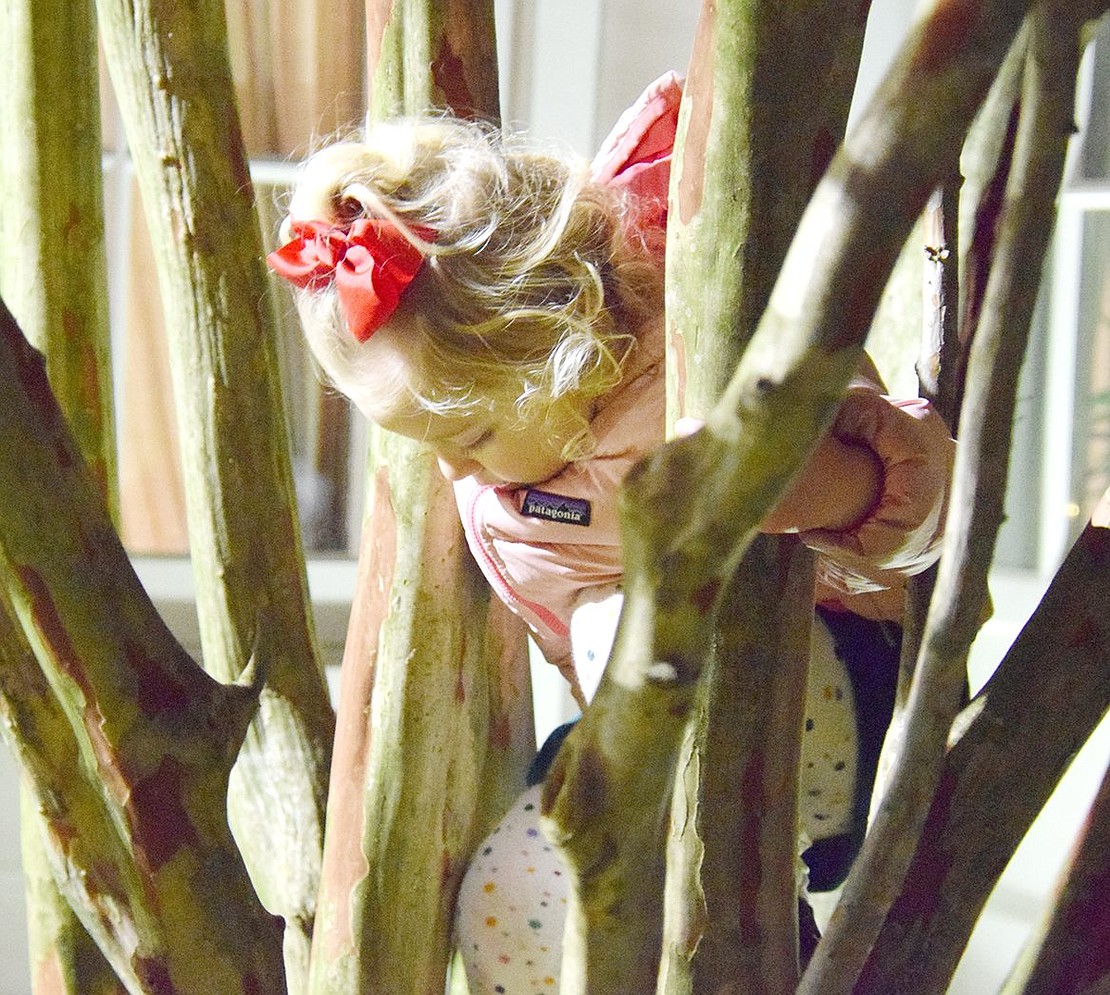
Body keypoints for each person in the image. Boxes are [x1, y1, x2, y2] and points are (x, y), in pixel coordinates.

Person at [268, 72, 955, 994]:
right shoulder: (519, 456)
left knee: (624, 666)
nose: (456, 475)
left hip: (833, 689)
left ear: (560, 341)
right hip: (646, 747)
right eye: (427, 448)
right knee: (505, 906)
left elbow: (925, 494)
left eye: (467, 438)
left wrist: (807, 486)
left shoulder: (690, 386)